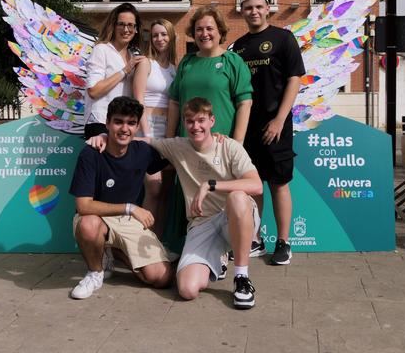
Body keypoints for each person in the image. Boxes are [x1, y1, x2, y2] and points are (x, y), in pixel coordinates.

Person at [88, 97, 263, 309]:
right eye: (190, 121)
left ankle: (242, 278)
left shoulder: (229, 146)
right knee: (187, 290)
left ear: (212, 121)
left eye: (201, 120)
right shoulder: (178, 146)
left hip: (233, 216)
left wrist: (210, 184)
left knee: (237, 197)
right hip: (203, 224)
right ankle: (217, 257)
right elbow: (140, 141)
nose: (195, 126)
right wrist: (105, 136)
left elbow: (256, 186)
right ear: (184, 123)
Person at [69, 96, 173, 300]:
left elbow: (175, 160)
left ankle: (113, 252)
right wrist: (130, 208)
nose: (124, 128)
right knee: (88, 225)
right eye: (118, 122)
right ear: (107, 123)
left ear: (136, 127)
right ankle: (95, 272)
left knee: (161, 278)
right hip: (97, 218)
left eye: (131, 123)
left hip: (127, 223)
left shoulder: (142, 151)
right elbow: (83, 206)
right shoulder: (90, 154)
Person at [231, 0, 305, 265]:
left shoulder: (283, 38)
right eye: (248, 7)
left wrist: (279, 120)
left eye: (259, 7)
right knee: (253, 187)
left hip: (277, 127)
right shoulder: (237, 47)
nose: (254, 11)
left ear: (268, 9)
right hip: (248, 128)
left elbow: (294, 79)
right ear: (242, 11)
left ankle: (284, 243)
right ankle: (255, 239)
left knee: (278, 184)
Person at [166, 6, 252, 142]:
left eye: (209, 28)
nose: (204, 33)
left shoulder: (233, 61)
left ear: (220, 31)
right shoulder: (187, 62)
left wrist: (237, 144)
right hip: (186, 144)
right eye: (199, 29)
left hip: (220, 144)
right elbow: (174, 102)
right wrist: (169, 141)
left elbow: (244, 103)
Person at [132, 19, 177, 237]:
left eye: (164, 34)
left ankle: (158, 244)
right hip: (147, 129)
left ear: (171, 37)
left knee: (167, 190)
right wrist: (147, 134)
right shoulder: (145, 63)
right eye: (156, 35)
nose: (160, 39)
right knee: (154, 187)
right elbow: (138, 100)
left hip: (168, 132)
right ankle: (143, 243)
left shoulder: (175, 68)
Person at [84, 3, 147, 139]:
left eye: (130, 25)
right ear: (113, 25)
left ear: (136, 29)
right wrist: (124, 70)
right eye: (121, 24)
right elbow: (94, 91)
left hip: (123, 126)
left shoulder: (134, 55)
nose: (126, 29)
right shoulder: (101, 50)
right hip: (100, 123)